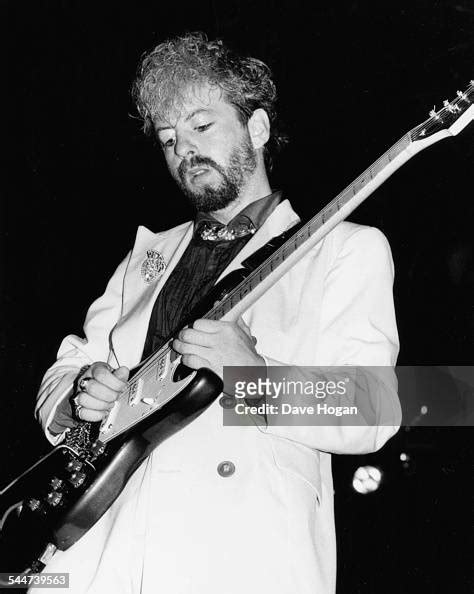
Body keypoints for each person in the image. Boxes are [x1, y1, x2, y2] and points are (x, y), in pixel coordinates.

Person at [33, 32, 401, 594]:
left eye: (201, 127)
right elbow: (66, 368)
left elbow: (375, 408)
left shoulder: (344, 248)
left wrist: (252, 377)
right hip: (101, 556)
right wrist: (80, 392)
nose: (184, 150)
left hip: (237, 558)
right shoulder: (145, 256)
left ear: (256, 128)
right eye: (168, 139)